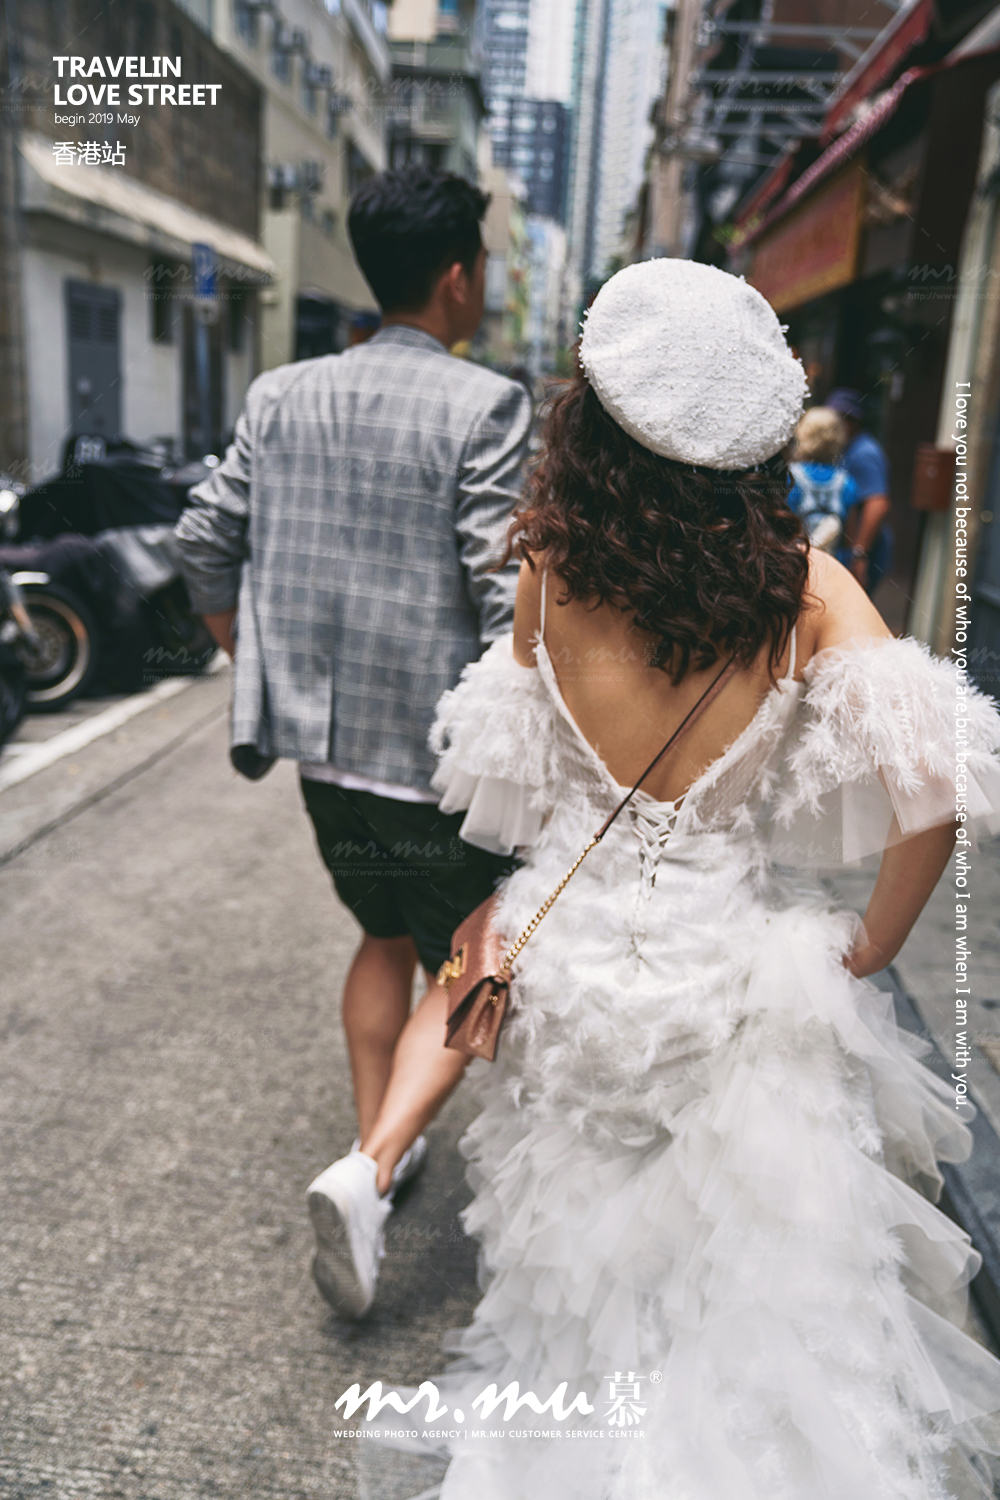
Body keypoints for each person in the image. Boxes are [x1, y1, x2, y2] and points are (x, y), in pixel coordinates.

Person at [351, 259, 1000, 1496]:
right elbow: (937, 776)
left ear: (592, 426)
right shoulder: (805, 591)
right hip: (732, 984)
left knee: (579, 1270)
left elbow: (522, 784)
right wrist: (868, 941)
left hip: (578, 975)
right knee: (738, 1289)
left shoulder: (547, 572)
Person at [173, 165, 532, 1317]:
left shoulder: (281, 393)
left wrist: (250, 659)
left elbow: (200, 540)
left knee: (382, 932)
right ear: (457, 277)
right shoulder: (486, 405)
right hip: (437, 765)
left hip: (321, 757)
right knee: (475, 966)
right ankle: (373, 1171)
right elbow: (501, 600)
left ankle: (376, 1148)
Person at [825, 386, 893, 594]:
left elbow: (878, 504)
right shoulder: (846, 448)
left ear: (852, 422)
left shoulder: (864, 453)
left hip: (864, 551)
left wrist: (858, 554)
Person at [786, 405, 860, 554]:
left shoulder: (790, 477)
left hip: (795, 558)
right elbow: (849, 538)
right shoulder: (846, 482)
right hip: (832, 561)